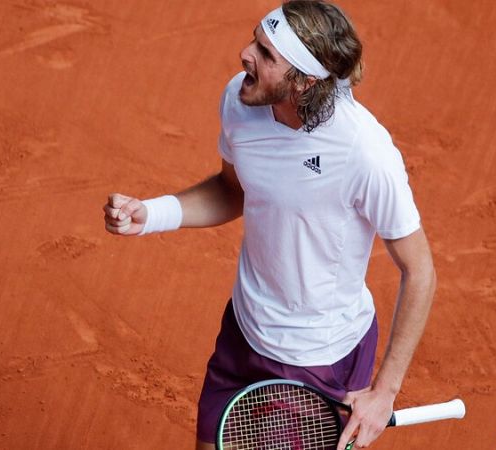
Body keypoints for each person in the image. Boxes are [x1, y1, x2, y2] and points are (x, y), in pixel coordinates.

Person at [103, 1, 436, 448]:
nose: (245, 54)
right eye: (254, 40)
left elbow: (420, 271)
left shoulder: (364, 154)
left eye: (265, 53)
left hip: (317, 358)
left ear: (303, 81)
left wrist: (384, 393)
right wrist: (153, 213)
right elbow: (234, 189)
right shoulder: (241, 101)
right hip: (244, 329)